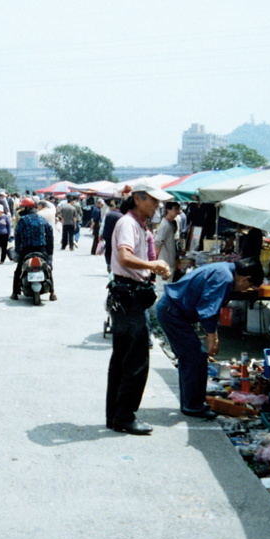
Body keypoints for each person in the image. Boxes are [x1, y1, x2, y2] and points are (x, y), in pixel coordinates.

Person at [156, 258, 264, 418]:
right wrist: (212, 337)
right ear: (245, 278)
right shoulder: (225, 277)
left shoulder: (224, 269)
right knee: (194, 357)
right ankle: (192, 406)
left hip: (173, 310)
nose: (244, 289)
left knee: (190, 357)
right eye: (248, 286)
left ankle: (190, 403)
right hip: (172, 312)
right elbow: (208, 308)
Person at [105, 181, 172, 435]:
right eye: (153, 201)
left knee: (123, 358)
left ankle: (116, 415)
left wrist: (152, 267)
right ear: (138, 199)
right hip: (127, 294)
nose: (157, 206)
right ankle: (124, 416)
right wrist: (153, 266)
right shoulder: (128, 224)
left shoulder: (140, 226)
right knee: (135, 358)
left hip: (130, 294)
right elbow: (124, 257)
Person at [11, 198, 56, 300]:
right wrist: (50, 251)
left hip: (26, 250)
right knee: (48, 269)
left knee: (18, 271)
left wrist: (18, 251)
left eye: (22, 207)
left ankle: (14, 293)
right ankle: (52, 293)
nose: (21, 209)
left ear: (27, 208)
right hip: (41, 249)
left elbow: (17, 235)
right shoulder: (41, 219)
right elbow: (50, 234)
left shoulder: (23, 220)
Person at [155, 201, 181, 281]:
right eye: (175, 209)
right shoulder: (164, 224)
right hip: (164, 261)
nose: (177, 211)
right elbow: (157, 243)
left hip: (169, 261)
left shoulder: (171, 224)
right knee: (162, 288)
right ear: (168, 210)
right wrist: (156, 259)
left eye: (178, 209)